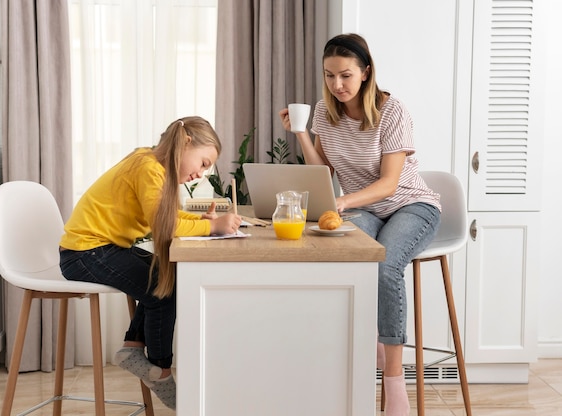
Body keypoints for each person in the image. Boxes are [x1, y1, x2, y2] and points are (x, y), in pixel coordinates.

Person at [279, 33, 441, 416]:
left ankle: (394, 379)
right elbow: (323, 171)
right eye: (329, 75)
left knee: (385, 265)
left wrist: (343, 201)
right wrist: (301, 132)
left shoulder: (392, 110)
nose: (337, 85)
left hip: (410, 204)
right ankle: (356, 351)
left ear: (366, 73)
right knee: (344, 257)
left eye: (346, 75)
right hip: (365, 209)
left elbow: (388, 183)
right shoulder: (324, 111)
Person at [59, 116, 243, 410]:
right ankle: (160, 370)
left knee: (166, 274)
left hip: (102, 248)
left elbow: (166, 217)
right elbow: (165, 227)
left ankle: (132, 348)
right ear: (185, 143)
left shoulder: (149, 163)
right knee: (164, 287)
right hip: (84, 253)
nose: (201, 174)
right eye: (204, 163)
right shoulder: (148, 168)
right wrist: (212, 227)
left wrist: (204, 222)